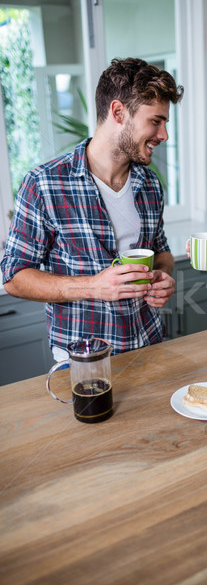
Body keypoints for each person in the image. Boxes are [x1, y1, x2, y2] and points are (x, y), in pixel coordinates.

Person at [1, 58, 184, 360]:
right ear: (118, 112)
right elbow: (13, 277)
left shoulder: (149, 183)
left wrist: (162, 277)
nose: (164, 135)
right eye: (156, 121)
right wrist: (93, 286)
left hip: (149, 344)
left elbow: (160, 251)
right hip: (84, 359)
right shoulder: (45, 184)